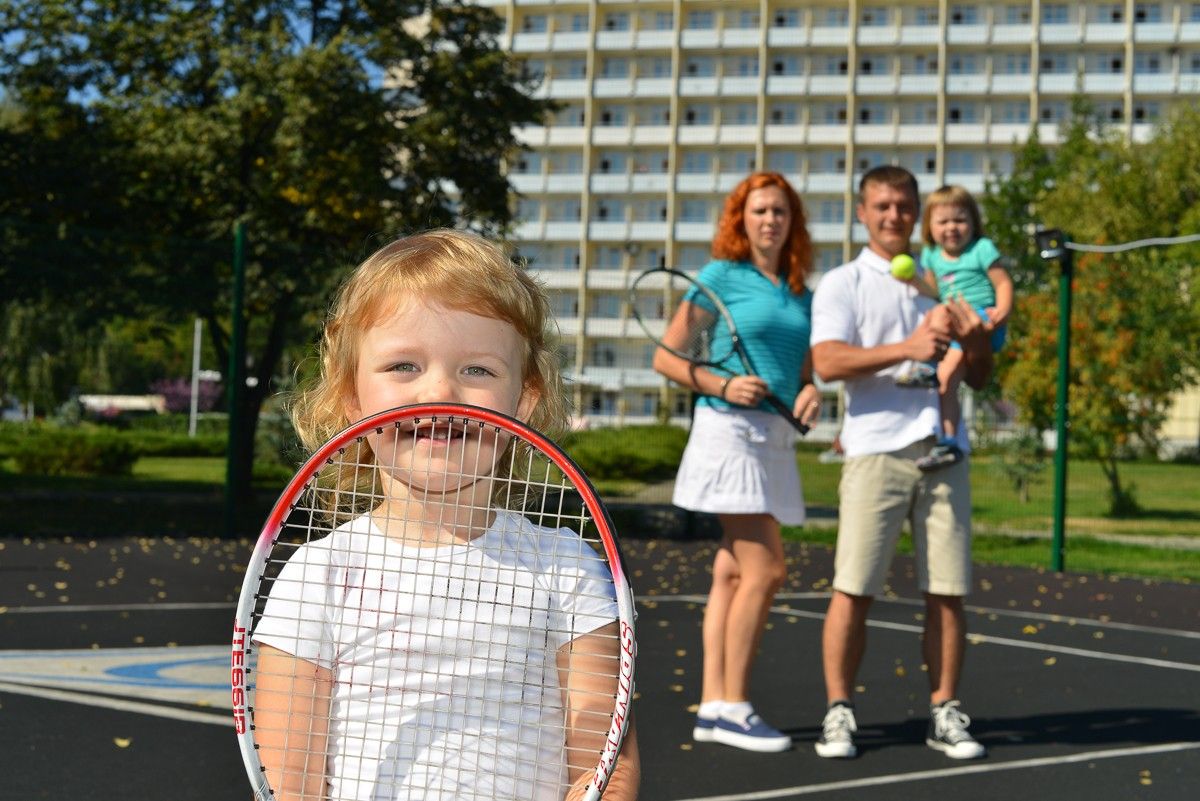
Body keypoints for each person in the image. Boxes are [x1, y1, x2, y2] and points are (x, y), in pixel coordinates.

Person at [252, 230, 640, 800]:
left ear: (524, 401)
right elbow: (288, 785)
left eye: (478, 370)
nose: (440, 390)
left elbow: (605, 767)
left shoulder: (565, 568)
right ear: (352, 398)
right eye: (403, 365)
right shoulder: (318, 575)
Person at [809, 166, 994, 761]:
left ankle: (945, 711)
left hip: (944, 453)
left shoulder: (943, 280)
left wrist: (978, 341)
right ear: (862, 213)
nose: (894, 216)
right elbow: (827, 362)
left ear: (919, 213)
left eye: (904, 207)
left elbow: (980, 376)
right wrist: (907, 350)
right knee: (853, 588)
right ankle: (839, 711)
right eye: (882, 206)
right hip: (874, 453)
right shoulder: (843, 282)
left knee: (948, 592)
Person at [652, 172, 822, 753]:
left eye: (780, 211)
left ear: (792, 221)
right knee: (766, 570)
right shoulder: (720, 277)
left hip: (775, 437)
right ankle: (735, 707)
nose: (770, 220)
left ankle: (713, 706)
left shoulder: (800, 291)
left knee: (731, 573)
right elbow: (667, 358)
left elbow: (801, 369)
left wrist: (811, 390)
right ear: (741, 219)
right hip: (727, 432)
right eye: (759, 210)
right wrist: (723, 385)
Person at [907, 185, 1014, 471]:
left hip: (981, 319)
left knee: (944, 371)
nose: (951, 227)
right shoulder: (931, 255)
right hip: (952, 320)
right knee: (946, 384)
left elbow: (1002, 282)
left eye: (960, 220)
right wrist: (913, 281)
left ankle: (927, 369)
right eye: (943, 221)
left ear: (973, 223)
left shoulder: (981, 249)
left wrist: (1002, 311)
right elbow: (933, 290)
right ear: (930, 227)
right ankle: (949, 440)